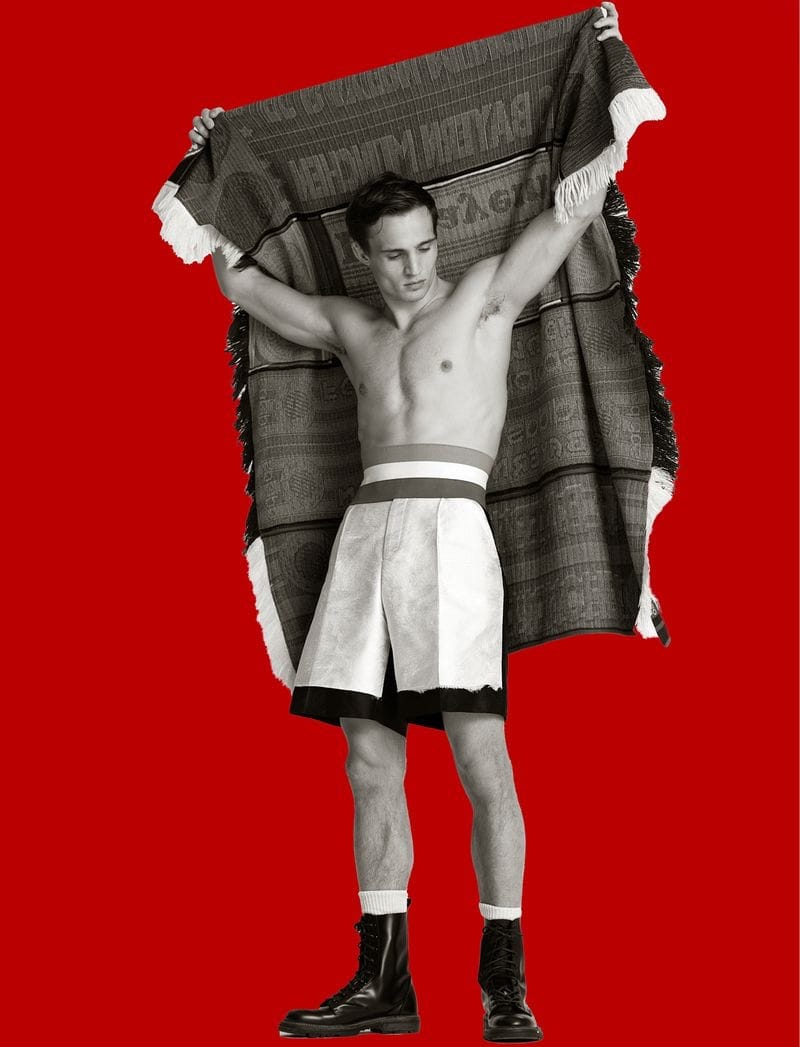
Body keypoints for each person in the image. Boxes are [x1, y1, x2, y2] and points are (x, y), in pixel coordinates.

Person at [187, 7, 622, 1039]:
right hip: (366, 539)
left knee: (481, 760)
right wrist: (215, 158)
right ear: (363, 256)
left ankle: (504, 983)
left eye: (424, 248)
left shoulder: (483, 301)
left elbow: (571, 208)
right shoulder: (346, 326)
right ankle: (384, 983)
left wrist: (602, 66)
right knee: (368, 764)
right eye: (393, 255)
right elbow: (239, 279)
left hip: (451, 538)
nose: (414, 268)